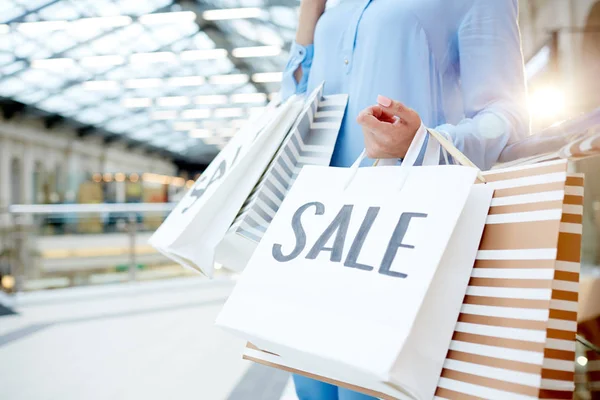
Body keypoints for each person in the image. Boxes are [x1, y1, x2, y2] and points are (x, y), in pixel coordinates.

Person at [280, 0, 529, 399]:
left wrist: (426, 142)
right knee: (311, 389)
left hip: (399, 242)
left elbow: (509, 117)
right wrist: (309, 18)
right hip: (314, 236)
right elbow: (290, 106)